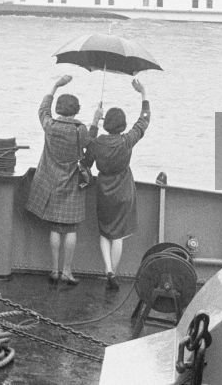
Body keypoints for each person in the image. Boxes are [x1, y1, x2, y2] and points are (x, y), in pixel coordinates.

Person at [25, 75, 96, 285]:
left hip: (50, 183)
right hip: (72, 183)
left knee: (55, 228)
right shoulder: (79, 129)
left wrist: (55, 85)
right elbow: (89, 143)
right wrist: (95, 120)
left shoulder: (50, 125)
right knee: (70, 229)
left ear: (59, 109)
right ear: (76, 110)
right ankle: (67, 272)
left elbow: (42, 110)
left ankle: (54, 271)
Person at [84, 78, 150, 291]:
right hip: (124, 189)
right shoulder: (127, 140)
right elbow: (144, 122)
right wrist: (143, 94)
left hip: (104, 189)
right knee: (118, 236)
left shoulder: (97, 142)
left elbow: (85, 160)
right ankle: (115, 272)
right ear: (122, 125)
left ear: (106, 123)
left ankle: (107, 271)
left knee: (105, 232)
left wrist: (94, 122)